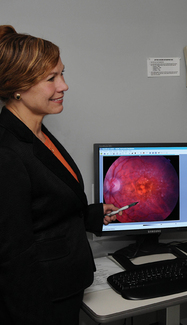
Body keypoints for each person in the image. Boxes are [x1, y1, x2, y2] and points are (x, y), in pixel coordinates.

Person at [0, 25, 120, 325]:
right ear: (17, 84)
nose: (63, 86)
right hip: (40, 302)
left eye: (62, 74)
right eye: (51, 78)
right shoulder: (7, 152)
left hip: (65, 286)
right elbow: (13, 255)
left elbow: (43, 209)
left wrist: (92, 215)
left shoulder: (38, 132)